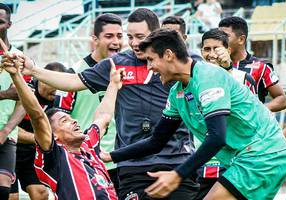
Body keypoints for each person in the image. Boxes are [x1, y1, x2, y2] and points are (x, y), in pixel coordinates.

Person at [16, 8, 199, 200]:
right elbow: (72, 81)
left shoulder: (181, 62)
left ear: (155, 34)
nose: (135, 43)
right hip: (132, 166)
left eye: (140, 37)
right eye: (130, 37)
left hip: (177, 161)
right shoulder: (116, 63)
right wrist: (33, 70)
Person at [100, 28, 286, 199]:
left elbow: (217, 138)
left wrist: (178, 175)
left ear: (168, 55)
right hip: (249, 158)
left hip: (264, 154)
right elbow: (157, 140)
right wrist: (110, 156)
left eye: (151, 59)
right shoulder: (176, 93)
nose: (149, 67)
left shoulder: (208, 77)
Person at [2, 54, 124, 200]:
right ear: (54, 136)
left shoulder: (89, 144)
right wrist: (16, 76)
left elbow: (103, 117)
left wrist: (113, 85)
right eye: (64, 121)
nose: (74, 121)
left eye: (72, 118)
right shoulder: (56, 156)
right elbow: (38, 116)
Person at [193, 28, 257, 199]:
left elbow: (253, 120)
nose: (211, 54)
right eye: (207, 49)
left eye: (216, 48)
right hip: (202, 162)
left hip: (236, 162)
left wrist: (227, 69)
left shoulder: (244, 79)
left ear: (228, 51)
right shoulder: (192, 80)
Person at [70, 13, 123, 190]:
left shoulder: (128, 70)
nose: (116, 41)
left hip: (120, 161)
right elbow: (60, 118)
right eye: (109, 36)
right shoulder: (75, 73)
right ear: (95, 39)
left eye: (119, 36)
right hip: (88, 162)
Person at [9, 62, 76, 200]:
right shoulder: (25, 92)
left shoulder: (61, 99)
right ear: (43, 81)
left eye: (59, 88)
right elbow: (9, 128)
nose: (57, 92)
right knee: (12, 196)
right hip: (11, 148)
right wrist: (40, 138)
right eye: (53, 87)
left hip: (33, 152)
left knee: (41, 193)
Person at [218, 16, 286, 112]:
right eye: (218, 36)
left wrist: (256, 112)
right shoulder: (214, 66)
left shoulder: (262, 67)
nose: (220, 40)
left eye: (225, 36)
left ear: (241, 39)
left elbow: (282, 99)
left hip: (251, 126)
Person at [0, 3, 25, 199]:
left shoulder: (19, 58)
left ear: (9, 24)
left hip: (6, 134)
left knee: (3, 187)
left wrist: (6, 130)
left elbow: (24, 101)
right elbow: (10, 94)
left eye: (0, 22)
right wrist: (4, 94)